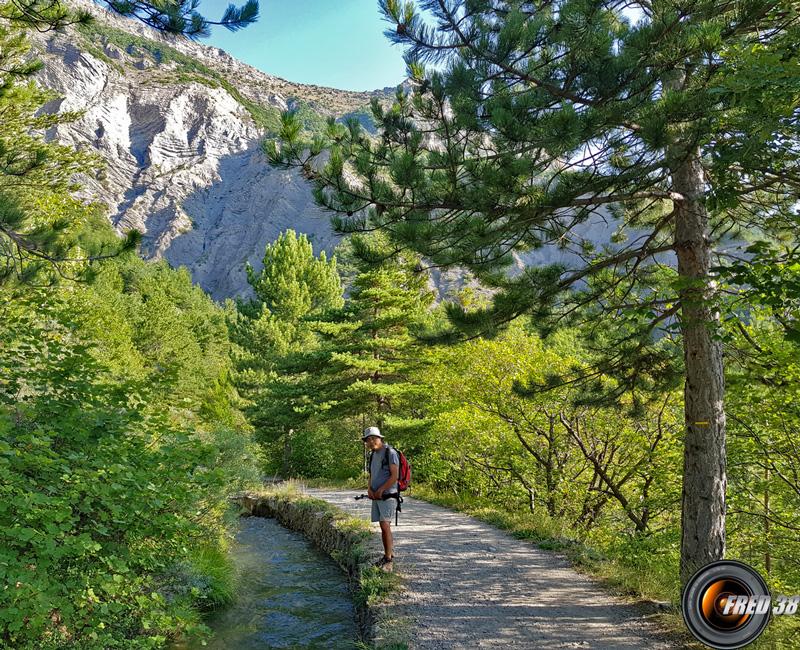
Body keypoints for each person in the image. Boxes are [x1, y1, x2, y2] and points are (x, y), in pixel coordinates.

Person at [362, 425, 398, 572]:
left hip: (388, 495)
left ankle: (388, 560)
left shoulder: (390, 452)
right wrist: (370, 489)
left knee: (385, 525)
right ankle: (388, 554)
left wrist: (382, 490)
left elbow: (394, 475)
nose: (371, 442)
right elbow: (372, 475)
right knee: (382, 526)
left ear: (380, 438)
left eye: (373, 438)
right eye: (368, 440)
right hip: (376, 495)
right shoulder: (373, 455)